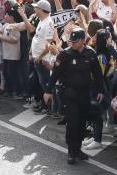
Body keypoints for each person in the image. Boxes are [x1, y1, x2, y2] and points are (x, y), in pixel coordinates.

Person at [45, 27, 105, 164]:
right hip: (69, 94)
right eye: (71, 41)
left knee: (82, 123)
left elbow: (97, 74)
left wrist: (100, 90)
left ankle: (78, 149)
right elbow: (55, 74)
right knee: (73, 123)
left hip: (84, 94)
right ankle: (71, 152)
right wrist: (48, 91)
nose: (72, 43)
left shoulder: (91, 53)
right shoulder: (64, 55)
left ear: (83, 41)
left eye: (75, 41)